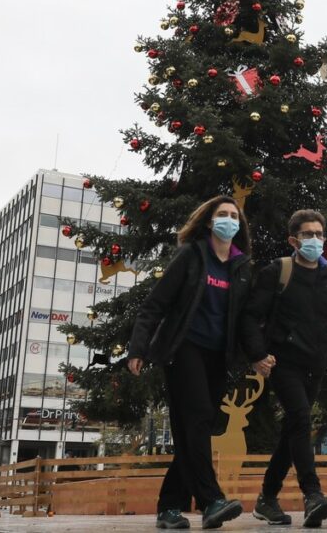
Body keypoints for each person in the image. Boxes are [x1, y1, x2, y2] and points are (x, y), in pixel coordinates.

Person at [243, 209, 327, 528]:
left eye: (319, 234)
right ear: (293, 239)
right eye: (308, 235)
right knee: (300, 418)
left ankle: (267, 498)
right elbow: (250, 316)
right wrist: (257, 354)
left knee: (294, 428)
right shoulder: (279, 270)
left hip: (315, 363)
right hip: (283, 362)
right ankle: (313, 495)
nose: (315, 240)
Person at [127, 196, 254, 530]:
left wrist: (257, 354)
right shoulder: (191, 256)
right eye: (222, 215)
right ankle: (211, 500)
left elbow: (246, 320)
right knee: (197, 420)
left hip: (218, 356)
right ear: (210, 222)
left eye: (234, 216)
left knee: (192, 431)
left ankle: (169, 507)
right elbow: (155, 305)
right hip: (184, 349)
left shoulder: (241, 266)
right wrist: (138, 349)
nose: (229, 220)